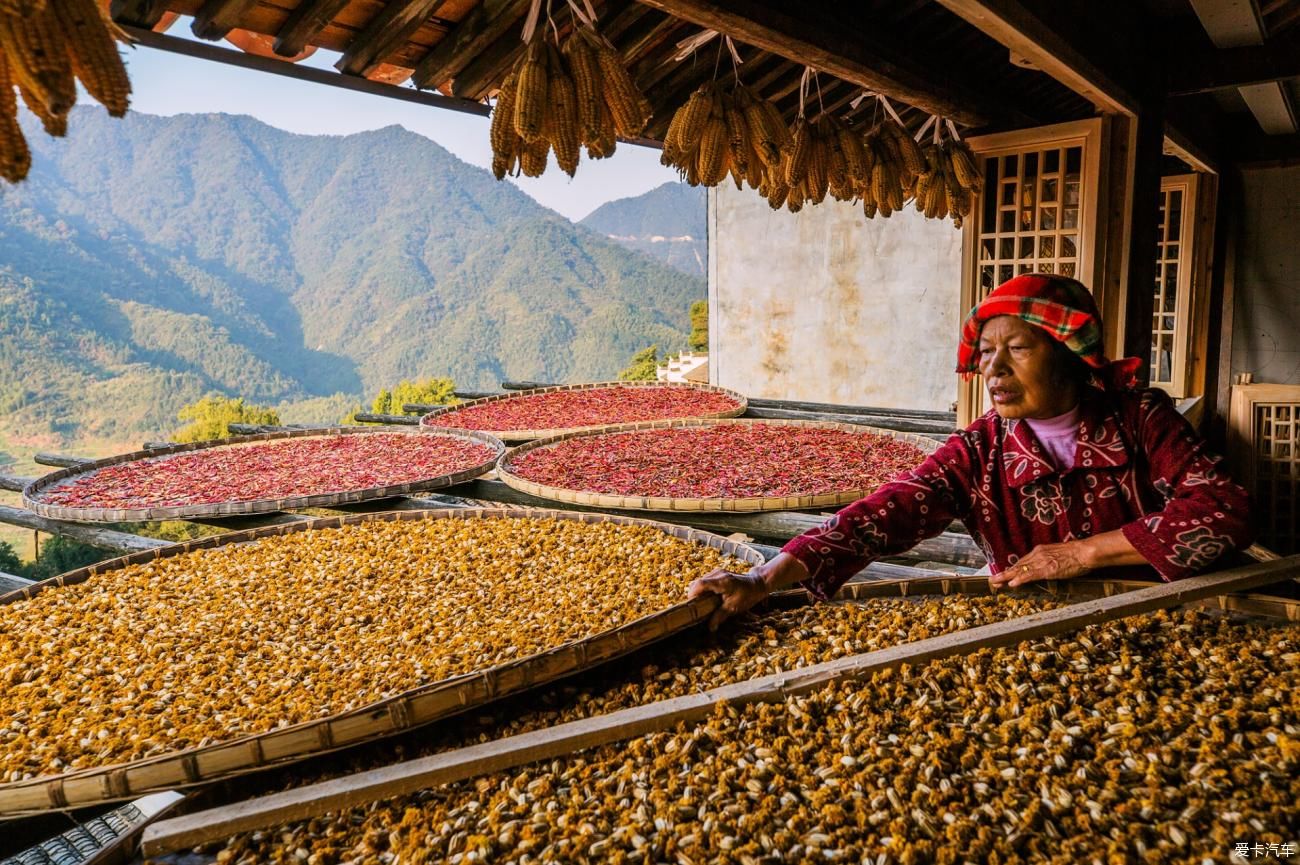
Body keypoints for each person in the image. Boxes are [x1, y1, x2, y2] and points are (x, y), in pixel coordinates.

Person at [689, 273, 1253, 630]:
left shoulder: (1139, 418)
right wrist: (762, 581)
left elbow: (1225, 509)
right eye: (985, 352)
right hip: (1031, 634)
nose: (994, 369)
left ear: (1070, 357)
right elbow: (884, 514)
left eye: (1018, 349)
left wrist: (1080, 554)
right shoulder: (978, 450)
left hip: (1163, 622)